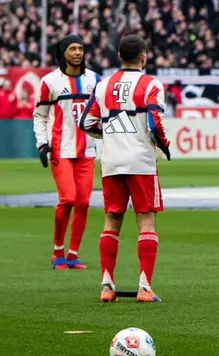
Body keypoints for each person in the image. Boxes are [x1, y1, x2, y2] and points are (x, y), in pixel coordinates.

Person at [81, 34, 170, 303]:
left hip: (111, 161)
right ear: (144, 56)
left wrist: (109, 134)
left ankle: (107, 286)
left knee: (112, 221)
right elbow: (155, 122)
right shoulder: (151, 84)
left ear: (119, 56)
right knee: (146, 220)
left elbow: (87, 122)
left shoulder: (103, 85)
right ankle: (144, 287)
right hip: (141, 161)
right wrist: (164, 146)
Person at [34, 33, 101, 270]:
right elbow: (40, 116)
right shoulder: (50, 81)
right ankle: (57, 251)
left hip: (87, 151)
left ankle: (73, 254)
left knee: (83, 203)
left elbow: (102, 112)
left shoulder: (95, 80)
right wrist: (42, 144)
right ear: (63, 53)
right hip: (60, 149)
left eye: (80, 48)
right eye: (72, 48)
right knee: (68, 199)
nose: (77, 53)